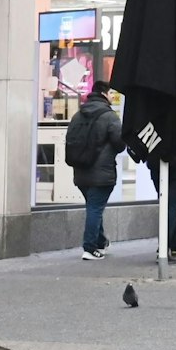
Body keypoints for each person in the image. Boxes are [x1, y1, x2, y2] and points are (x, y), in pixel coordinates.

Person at [63, 81, 123, 260]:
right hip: (101, 172)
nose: (113, 97)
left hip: (80, 171)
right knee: (95, 208)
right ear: (104, 94)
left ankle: (100, 242)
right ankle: (89, 248)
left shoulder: (78, 115)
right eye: (111, 93)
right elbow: (119, 143)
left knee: (93, 206)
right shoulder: (109, 116)